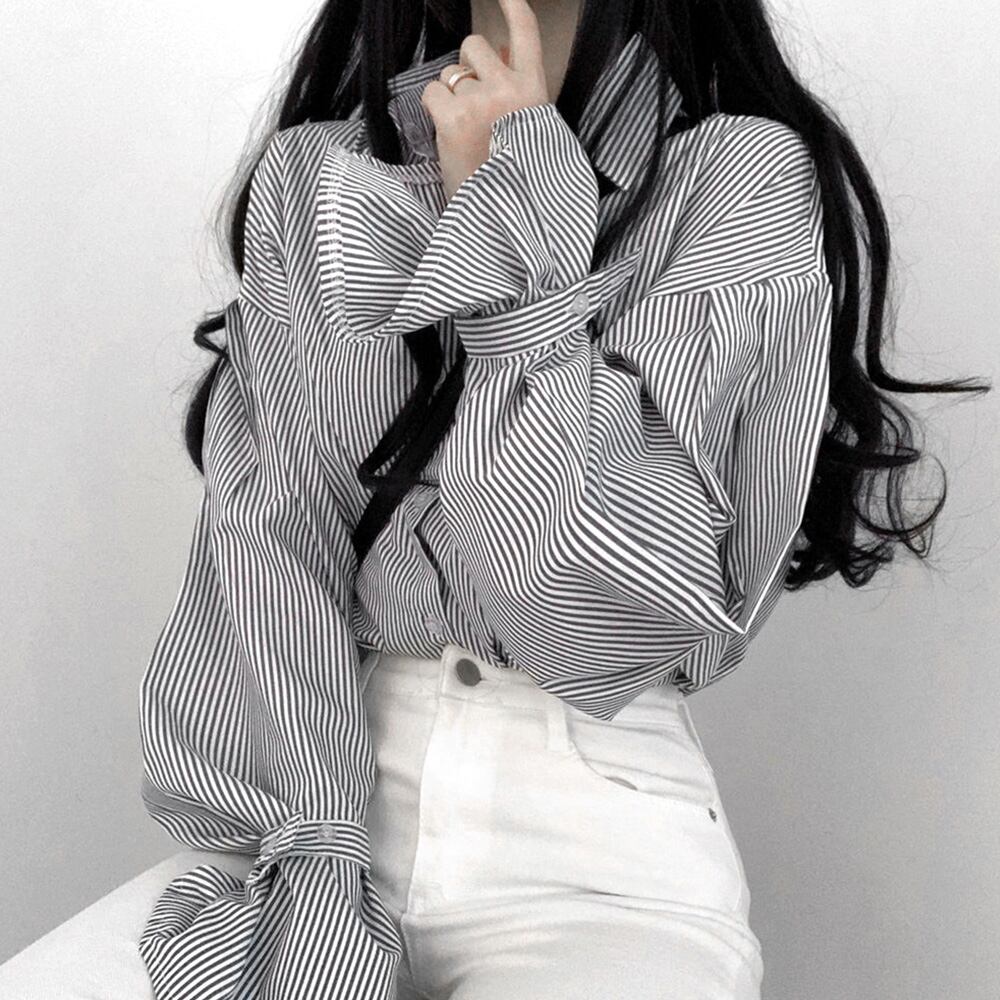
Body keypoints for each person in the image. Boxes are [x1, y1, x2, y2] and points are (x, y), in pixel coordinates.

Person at [136, 0, 990, 998]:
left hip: (594, 862)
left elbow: (587, 614)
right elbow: (269, 552)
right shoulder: (316, 178)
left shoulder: (737, 176)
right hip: (305, 830)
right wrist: (311, 863)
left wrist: (511, 235)